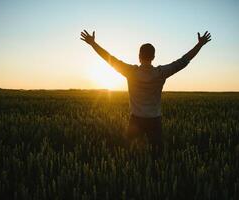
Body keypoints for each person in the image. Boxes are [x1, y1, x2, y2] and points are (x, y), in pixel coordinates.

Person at [80, 30, 211, 156]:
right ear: (153, 57)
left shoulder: (130, 72)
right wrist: (199, 44)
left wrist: (93, 44)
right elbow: (183, 61)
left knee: (129, 155)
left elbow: (109, 59)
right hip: (155, 121)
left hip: (136, 120)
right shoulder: (161, 73)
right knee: (157, 156)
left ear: (139, 56)